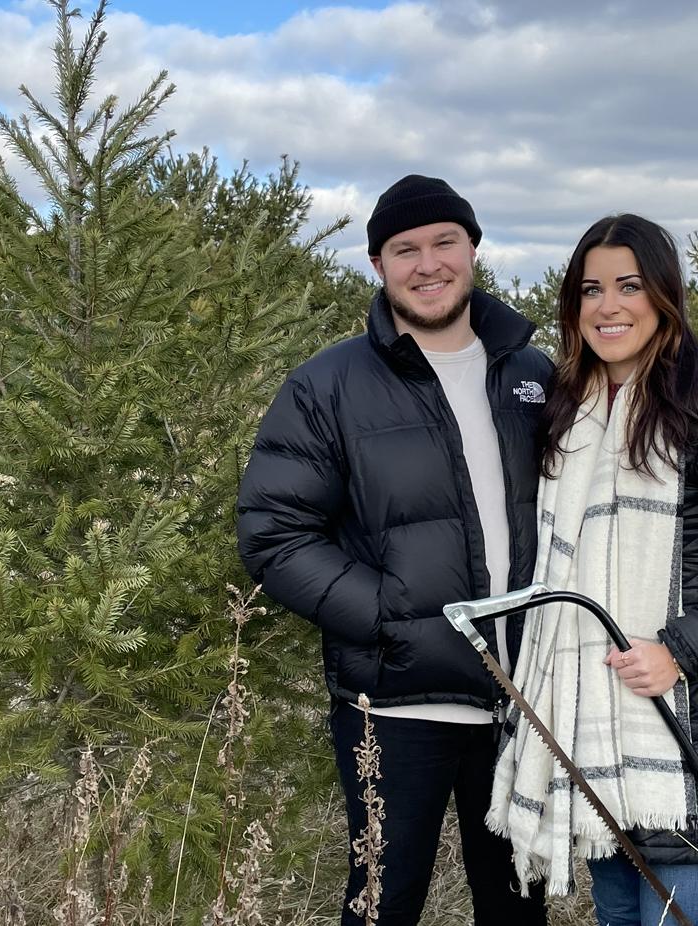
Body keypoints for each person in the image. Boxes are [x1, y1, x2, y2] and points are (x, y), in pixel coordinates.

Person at [236, 175, 553, 925]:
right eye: (404, 249)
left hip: (525, 699)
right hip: (395, 703)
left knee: (520, 907)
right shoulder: (327, 385)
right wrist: (387, 616)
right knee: (383, 905)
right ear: (378, 265)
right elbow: (273, 532)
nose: (428, 263)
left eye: (445, 241)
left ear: (473, 250)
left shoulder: (535, 375)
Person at [486, 214, 698, 926]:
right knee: (617, 913)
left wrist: (680, 651)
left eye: (629, 286)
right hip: (591, 723)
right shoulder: (573, 418)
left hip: (680, 729)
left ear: (664, 295)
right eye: (591, 289)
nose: (608, 307)